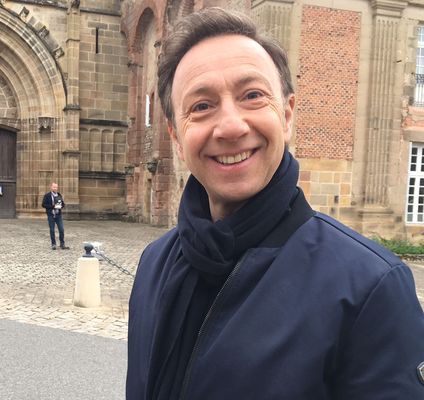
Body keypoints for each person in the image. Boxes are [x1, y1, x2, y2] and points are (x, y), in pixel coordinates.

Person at [126, 8, 424, 399]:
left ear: (285, 114)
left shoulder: (369, 287)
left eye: (252, 95)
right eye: (201, 105)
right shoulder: (155, 263)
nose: (231, 125)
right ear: (177, 137)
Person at [42, 182, 69, 250]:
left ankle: (62, 244)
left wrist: (61, 206)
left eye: (56, 187)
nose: (55, 188)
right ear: (51, 187)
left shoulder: (59, 195)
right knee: (52, 230)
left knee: (61, 229)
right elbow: (43, 205)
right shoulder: (47, 195)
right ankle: (53, 244)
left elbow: (63, 204)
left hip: (58, 215)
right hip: (51, 215)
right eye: (54, 187)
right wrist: (52, 206)